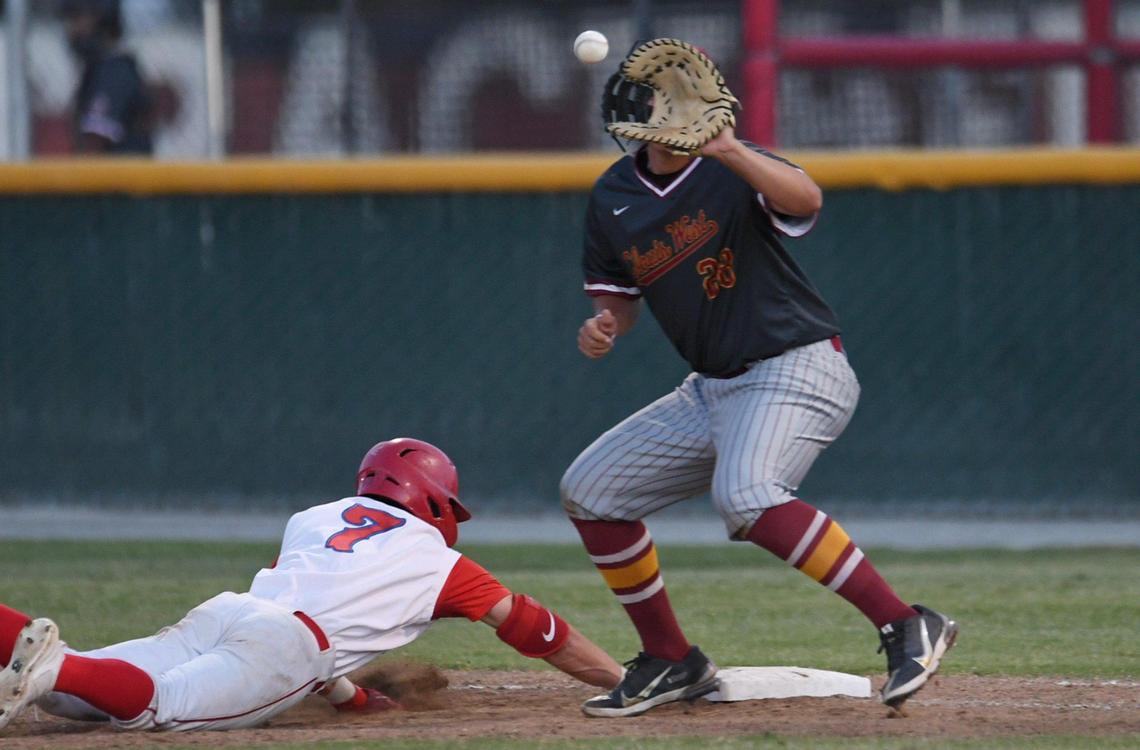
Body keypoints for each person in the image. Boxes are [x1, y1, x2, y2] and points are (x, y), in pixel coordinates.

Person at [561, 39, 957, 718]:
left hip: (796, 363)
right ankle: (670, 660)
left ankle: (904, 622)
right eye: (669, 104)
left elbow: (806, 197)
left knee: (746, 495)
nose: (685, 113)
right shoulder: (614, 195)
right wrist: (604, 325)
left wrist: (733, 151)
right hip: (711, 388)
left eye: (687, 99)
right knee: (592, 490)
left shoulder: (728, 168)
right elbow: (620, 299)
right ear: (637, 122)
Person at [0, 438, 622, 733]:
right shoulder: (442, 563)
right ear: (435, 501)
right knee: (155, 705)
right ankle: (51, 666)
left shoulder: (314, 517)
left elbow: (309, 603)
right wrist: (623, 680)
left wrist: (351, 699)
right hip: (287, 645)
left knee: (69, 698)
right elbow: (543, 634)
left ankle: (42, 660)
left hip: (229, 613)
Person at [60, 0, 153, 154]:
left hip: (122, 175)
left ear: (103, 18)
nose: (72, 29)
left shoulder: (114, 70)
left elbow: (94, 144)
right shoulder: (98, 68)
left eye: (77, 17)